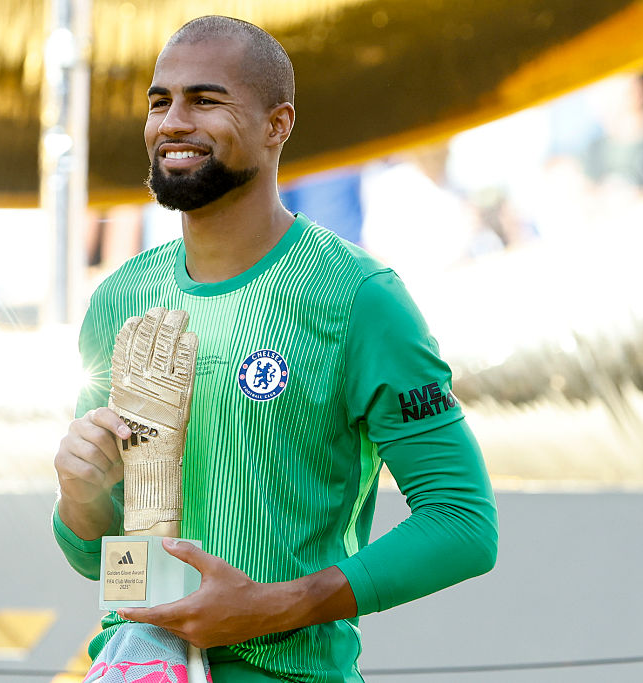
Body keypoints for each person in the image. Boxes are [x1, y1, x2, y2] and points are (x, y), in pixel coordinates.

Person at [53, 15, 498, 682]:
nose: (172, 121)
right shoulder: (120, 298)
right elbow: (106, 553)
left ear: (277, 125)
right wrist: (80, 497)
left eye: (205, 100)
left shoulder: (358, 297)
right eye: (159, 101)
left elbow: (463, 523)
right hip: (136, 668)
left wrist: (268, 607)